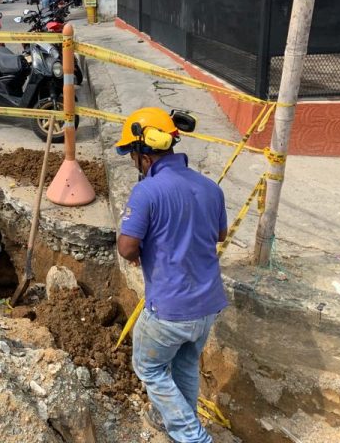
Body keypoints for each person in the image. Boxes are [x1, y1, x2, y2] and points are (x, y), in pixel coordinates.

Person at [115, 107, 228, 443]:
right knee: (184, 367)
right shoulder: (210, 188)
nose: (133, 162)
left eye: (132, 155)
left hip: (170, 309)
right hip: (206, 306)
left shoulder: (147, 191)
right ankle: (178, 420)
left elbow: (126, 247)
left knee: (148, 367)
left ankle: (192, 437)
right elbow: (219, 234)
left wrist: (141, 252)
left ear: (144, 154)